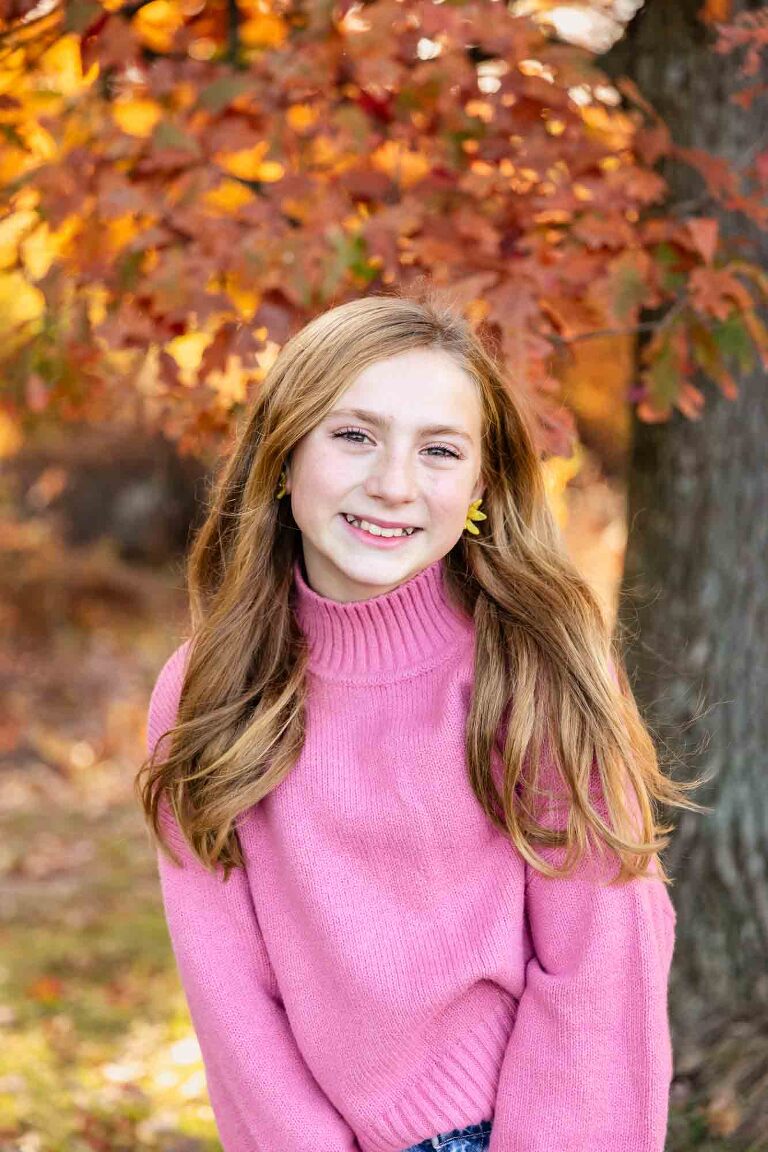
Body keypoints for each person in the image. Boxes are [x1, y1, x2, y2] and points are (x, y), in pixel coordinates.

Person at [136, 287, 708, 1152]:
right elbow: (226, 988)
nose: (393, 484)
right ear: (285, 456)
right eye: (355, 435)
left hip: (512, 1126)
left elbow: (602, 966)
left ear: (479, 486)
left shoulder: (533, 670)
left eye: (439, 450)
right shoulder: (206, 688)